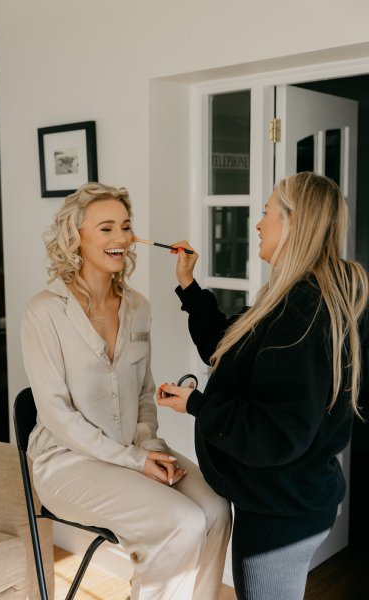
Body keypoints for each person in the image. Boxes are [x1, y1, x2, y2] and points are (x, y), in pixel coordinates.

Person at [157, 171, 369, 600]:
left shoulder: (304, 311)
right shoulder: (293, 296)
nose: (258, 224)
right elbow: (229, 347)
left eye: (266, 213)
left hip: (282, 511)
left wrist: (198, 405)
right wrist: (189, 286)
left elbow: (277, 434)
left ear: (293, 224)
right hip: (286, 498)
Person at [21, 182, 231, 600]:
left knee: (215, 509)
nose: (120, 238)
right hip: (66, 465)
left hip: (133, 450)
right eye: (106, 228)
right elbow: (58, 416)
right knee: (180, 522)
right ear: (75, 236)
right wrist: (136, 461)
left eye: (126, 226)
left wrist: (150, 448)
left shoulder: (138, 306)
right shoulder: (43, 313)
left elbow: (142, 394)